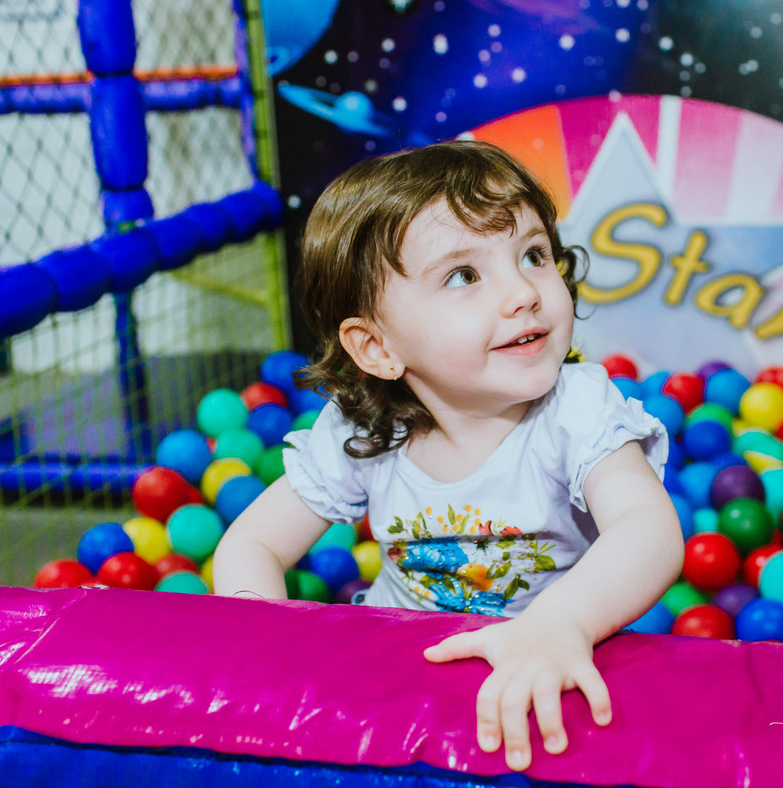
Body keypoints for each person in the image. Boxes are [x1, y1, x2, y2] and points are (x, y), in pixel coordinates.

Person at [213, 140, 683, 772]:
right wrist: (273, 648)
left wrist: (560, 625)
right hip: (398, 672)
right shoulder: (364, 429)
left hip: (550, 659)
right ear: (377, 347)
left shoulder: (576, 411)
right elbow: (252, 546)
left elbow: (648, 529)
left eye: (534, 255)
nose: (523, 291)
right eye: (464, 275)